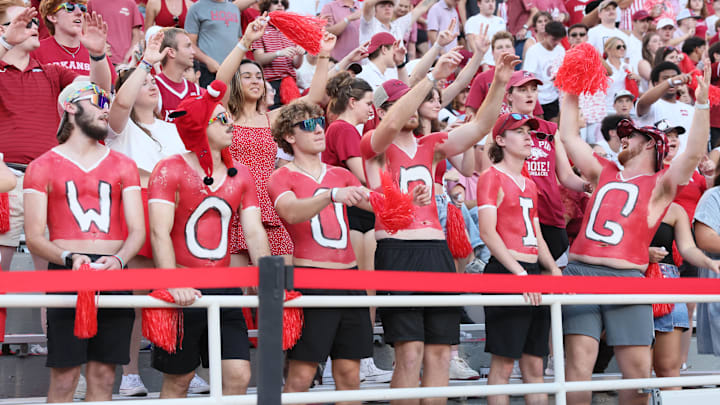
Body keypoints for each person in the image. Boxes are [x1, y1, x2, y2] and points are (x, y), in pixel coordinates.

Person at [360, 48, 517, 402]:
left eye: (415, 103)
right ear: (383, 110)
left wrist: (500, 85)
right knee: (410, 352)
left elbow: (478, 127)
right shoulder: (373, 144)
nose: (413, 109)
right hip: (397, 250)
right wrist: (430, 78)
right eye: (403, 103)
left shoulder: (430, 145)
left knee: (441, 353)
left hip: (436, 250)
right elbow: (388, 126)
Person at [558, 62, 711, 405]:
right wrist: (571, 84)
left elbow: (693, 153)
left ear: (649, 147)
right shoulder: (603, 170)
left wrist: (701, 104)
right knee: (579, 365)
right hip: (582, 271)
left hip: (628, 277)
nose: (624, 138)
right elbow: (568, 135)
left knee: (639, 371)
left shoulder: (661, 186)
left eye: (633, 136)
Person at [23, 81, 144, 402]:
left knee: (104, 377)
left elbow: (137, 230)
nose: (106, 107)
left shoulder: (124, 165)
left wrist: (118, 260)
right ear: (70, 107)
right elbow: (34, 236)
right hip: (66, 273)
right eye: (98, 100)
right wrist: (68, 258)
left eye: (108, 100)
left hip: (115, 272)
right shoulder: (41, 166)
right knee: (64, 378)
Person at [148, 80, 270, 398]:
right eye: (220, 118)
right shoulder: (169, 169)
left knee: (239, 375)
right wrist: (171, 281)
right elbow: (159, 231)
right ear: (200, 125)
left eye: (228, 115)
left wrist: (271, 276)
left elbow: (254, 230)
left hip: (225, 287)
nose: (230, 123)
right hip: (183, 289)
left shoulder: (240, 173)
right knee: (179, 380)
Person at [268, 100, 375, 402]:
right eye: (309, 125)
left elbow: (376, 203)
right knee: (301, 375)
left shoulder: (341, 174)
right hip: (311, 278)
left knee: (350, 374)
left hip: (350, 279)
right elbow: (290, 212)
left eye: (320, 123)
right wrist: (330, 195)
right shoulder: (282, 176)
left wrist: (406, 199)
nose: (319, 130)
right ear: (289, 135)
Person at [0, 1, 111, 286]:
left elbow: (98, 93)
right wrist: (4, 42)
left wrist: (97, 56)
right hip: (5, 181)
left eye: (34, 22)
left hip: (48, 181)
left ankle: (52, 333)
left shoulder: (52, 72)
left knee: (53, 278)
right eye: (23, 22)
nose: (34, 26)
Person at [106, 32, 189, 396]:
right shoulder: (118, 129)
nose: (152, 85)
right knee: (139, 300)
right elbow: (120, 104)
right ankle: (129, 375)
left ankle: (177, 369)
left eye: (156, 81)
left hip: (173, 214)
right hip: (137, 212)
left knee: (173, 296)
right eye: (145, 82)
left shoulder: (173, 130)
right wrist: (144, 64)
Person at [215, 20, 336, 268]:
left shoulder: (271, 118)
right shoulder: (225, 115)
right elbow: (221, 80)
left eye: (259, 77)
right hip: (235, 203)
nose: (255, 81)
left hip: (270, 205)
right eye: (247, 76)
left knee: (279, 284)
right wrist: (246, 42)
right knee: (238, 292)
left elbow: (313, 98)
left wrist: (323, 54)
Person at [477, 112, 561, 405]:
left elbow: (536, 231)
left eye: (530, 131)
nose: (528, 137)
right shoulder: (491, 177)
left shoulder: (530, 184)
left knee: (535, 364)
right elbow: (487, 233)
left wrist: (551, 268)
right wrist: (519, 275)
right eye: (519, 131)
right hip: (506, 272)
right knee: (504, 363)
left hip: (531, 271)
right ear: (500, 139)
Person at [34, 0, 116, 81]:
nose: (79, 13)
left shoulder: (96, 52)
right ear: (52, 17)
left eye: (82, 8)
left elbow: (113, 89)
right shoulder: (36, 51)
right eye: (70, 7)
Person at [252, 0, 304, 109]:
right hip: (270, 83)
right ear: (267, 6)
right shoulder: (260, 27)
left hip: (290, 84)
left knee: (294, 120)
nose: (280, 5)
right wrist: (279, 53)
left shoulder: (290, 29)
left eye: (283, 3)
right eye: (275, 2)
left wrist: (300, 54)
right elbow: (258, 59)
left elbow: (296, 64)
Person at [636, 62, 694, 155]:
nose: (673, 81)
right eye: (665, 78)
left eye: (675, 77)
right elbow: (642, 104)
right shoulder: (651, 104)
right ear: (656, 83)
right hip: (659, 166)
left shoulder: (690, 109)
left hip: (686, 167)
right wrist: (670, 82)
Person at [185, 0, 242, 87]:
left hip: (234, 72)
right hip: (209, 71)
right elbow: (189, 44)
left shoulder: (234, 9)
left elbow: (238, 41)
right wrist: (208, 61)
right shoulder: (196, 8)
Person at [154, 27, 201, 121]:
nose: (193, 52)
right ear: (171, 52)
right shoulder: (153, 87)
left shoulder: (196, 90)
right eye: (188, 46)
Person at [522, 21, 565, 123]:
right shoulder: (534, 51)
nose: (556, 43)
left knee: (554, 129)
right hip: (538, 97)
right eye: (554, 39)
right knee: (539, 129)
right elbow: (528, 76)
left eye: (559, 40)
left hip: (553, 96)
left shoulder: (560, 50)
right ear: (545, 35)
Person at [88, 0, 144, 66]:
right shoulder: (92, 2)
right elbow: (86, 29)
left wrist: (129, 56)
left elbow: (136, 34)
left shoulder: (130, 3)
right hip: (101, 59)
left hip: (125, 62)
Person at [358, 0, 436, 44]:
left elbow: (422, 8)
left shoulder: (398, 25)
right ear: (375, 10)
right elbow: (368, 4)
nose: (387, 8)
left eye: (390, 6)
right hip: (373, 72)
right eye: (382, 6)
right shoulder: (369, 24)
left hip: (396, 71)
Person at [465, 0, 506, 66]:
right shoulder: (472, 21)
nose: (490, 4)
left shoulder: (501, 21)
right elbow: (473, 47)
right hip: (478, 65)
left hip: (498, 64)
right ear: (479, 3)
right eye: (487, 1)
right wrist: (484, 64)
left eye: (493, 1)